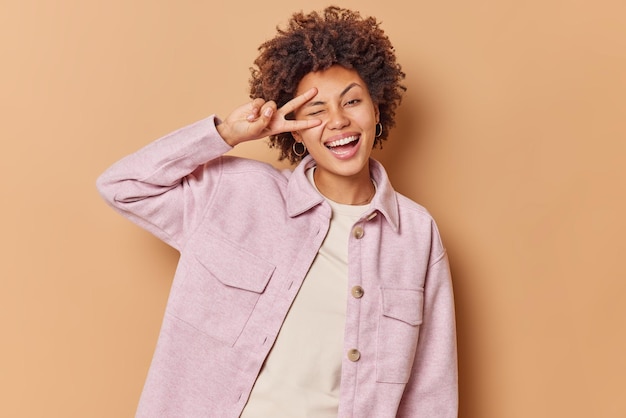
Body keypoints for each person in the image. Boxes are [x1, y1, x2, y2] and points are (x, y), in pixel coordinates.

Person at [97, 6, 458, 417]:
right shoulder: (235, 192)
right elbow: (122, 187)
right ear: (295, 129)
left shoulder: (415, 234)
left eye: (352, 101)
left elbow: (431, 390)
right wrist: (225, 134)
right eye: (316, 111)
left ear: (377, 110)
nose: (338, 121)